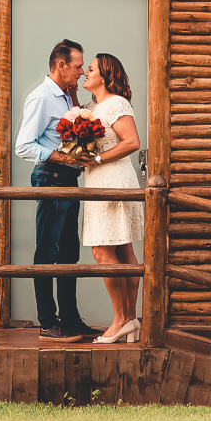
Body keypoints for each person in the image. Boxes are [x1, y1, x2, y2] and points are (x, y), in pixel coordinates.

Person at [14, 39, 100, 343]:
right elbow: (23, 145)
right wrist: (62, 157)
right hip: (50, 177)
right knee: (47, 252)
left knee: (68, 253)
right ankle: (48, 323)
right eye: (77, 67)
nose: (80, 72)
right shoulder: (41, 97)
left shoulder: (66, 96)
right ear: (60, 65)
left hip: (67, 178)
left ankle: (71, 319)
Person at [79, 52, 143, 344]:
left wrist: (98, 158)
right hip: (96, 181)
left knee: (102, 252)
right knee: (122, 250)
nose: (84, 73)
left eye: (89, 69)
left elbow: (132, 141)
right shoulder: (90, 107)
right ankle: (131, 320)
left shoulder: (115, 103)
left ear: (104, 76)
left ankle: (119, 320)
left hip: (113, 180)